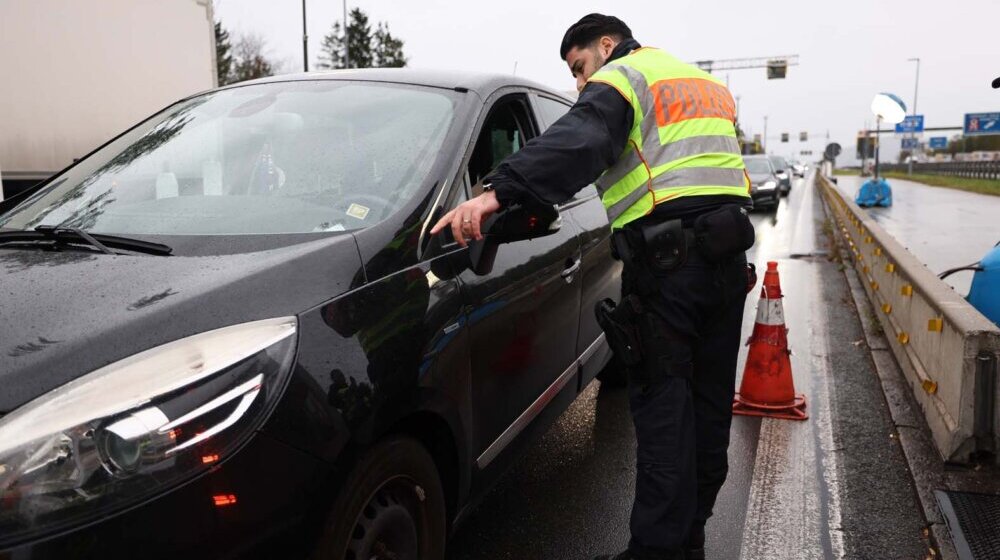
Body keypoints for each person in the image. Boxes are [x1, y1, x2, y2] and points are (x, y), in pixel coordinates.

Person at [431, 14, 755, 560]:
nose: (581, 83)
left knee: (663, 423)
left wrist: (495, 192)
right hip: (725, 266)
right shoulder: (700, 82)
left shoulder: (626, 76)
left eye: (580, 67)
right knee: (707, 414)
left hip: (670, 271)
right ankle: (689, 543)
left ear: (607, 45)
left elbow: (578, 141)